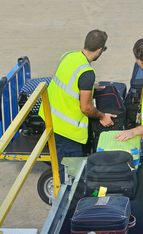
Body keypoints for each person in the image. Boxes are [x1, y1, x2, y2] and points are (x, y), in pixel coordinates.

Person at [40, 29, 116, 179]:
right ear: (100, 50)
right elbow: (86, 108)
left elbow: (69, 79)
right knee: (71, 176)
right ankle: (68, 201)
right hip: (67, 131)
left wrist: (88, 87)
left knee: (63, 166)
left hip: (49, 119)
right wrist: (102, 117)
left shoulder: (68, 56)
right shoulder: (87, 72)